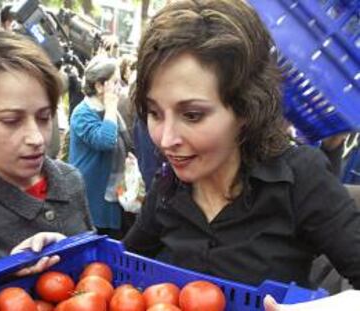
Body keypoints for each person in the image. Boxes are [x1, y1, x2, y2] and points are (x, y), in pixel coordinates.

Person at [122, 0, 360, 309]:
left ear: (246, 108)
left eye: (192, 115)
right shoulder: (167, 188)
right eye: (154, 113)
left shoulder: (300, 178)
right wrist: (56, 251)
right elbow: (118, 267)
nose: (166, 140)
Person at [0, 28, 94, 274]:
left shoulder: (71, 181)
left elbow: (96, 268)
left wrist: (73, 252)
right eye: (12, 121)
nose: (36, 138)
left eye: (45, 117)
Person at [69, 55, 133, 239]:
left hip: (111, 190)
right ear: (99, 86)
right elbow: (105, 141)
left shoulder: (106, 109)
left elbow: (121, 139)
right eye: (115, 82)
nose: (119, 86)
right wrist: (112, 107)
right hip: (92, 194)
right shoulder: (82, 113)